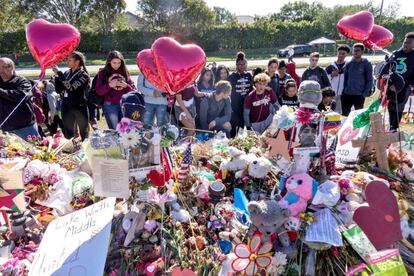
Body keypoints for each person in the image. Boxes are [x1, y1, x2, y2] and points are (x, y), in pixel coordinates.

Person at [53, 51, 90, 141]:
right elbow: (59, 90)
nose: (67, 62)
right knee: (68, 133)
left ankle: (86, 150)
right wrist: (57, 77)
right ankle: (71, 148)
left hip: (79, 107)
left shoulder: (84, 75)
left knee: (83, 132)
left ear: (77, 62)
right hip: (66, 105)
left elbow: (71, 88)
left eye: (69, 60)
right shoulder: (66, 73)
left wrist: (59, 74)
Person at [0, 57, 39, 139]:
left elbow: (21, 96)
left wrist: (1, 91)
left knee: (34, 150)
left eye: (4, 67)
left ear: (12, 67)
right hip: (5, 128)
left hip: (25, 128)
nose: (1, 70)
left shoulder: (22, 81)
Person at [96, 50, 135, 129]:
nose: (117, 65)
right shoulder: (103, 73)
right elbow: (98, 91)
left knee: (125, 131)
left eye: (119, 63)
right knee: (114, 130)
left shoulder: (124, 72)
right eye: (114, 62)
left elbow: (134, 91)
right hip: (110, 105)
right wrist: (109, 85)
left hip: (124, 105)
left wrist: (126, 86)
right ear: (109, 62)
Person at [387, 32, 414, 131]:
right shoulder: (396, 53)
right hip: (392, 85)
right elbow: (388, 67)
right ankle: (390, 126)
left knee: (399, 106)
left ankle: (394, 128)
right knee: (391, 105)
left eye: (409, 43)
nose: (405, 44)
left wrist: (411, 85)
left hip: (405, 86)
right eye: (404, 42)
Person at [341, 43, 373, 116]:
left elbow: (369, 79)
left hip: (359, 95)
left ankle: (356, 128)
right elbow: (346, 79)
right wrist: (344, 91)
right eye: (354, 50)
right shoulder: (349, 64)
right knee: (345, 116)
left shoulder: (366, 63)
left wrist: (364, 94)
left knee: (358, 117)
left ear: (362, 52)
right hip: (347, 94)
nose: (355, 52)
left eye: (358, 50)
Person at [228, 52, 253, 137]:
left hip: (245, 107)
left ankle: (239, 144)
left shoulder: (249, 75)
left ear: (246, 64)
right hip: (234, 108)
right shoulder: (232, 77)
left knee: (242, 128)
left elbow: (251, 89)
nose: (241, 66)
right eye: (239, 64)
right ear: (236, 65)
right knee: (233, 128)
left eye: (243, 64)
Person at [326, 45, 350, 114]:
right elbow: (325, 80)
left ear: (346, 55)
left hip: (343, 94)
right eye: (339, 53)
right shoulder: (330, 67)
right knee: (330, 112)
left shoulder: (348, 67)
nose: (341, 55)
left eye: (343, 54)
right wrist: (331, 75)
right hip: (331, 94)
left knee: (341, 113)